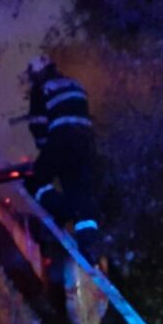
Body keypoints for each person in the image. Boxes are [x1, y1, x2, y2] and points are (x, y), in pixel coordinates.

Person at [22, 55, 104, 269]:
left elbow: (38, 124)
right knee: (80, 192)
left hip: (61, 140)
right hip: (86, 145)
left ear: (37, 73)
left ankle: (62, 210)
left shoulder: (42, 88)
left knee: (35, 181)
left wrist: (45, 153)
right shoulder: (75, 84)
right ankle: (89, 244)